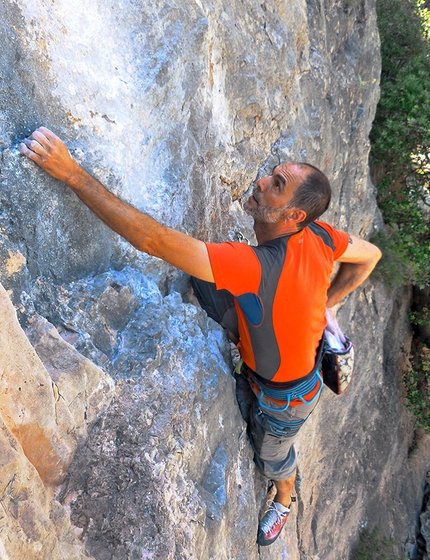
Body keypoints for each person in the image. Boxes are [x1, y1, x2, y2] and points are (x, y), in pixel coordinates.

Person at [19, 127, 381, 547]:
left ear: (295, 216)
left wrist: (73, 174)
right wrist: (327, 303)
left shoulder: (258, 265)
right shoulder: (318, 235)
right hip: (272, 339)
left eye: (277, 185)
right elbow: (368, 256)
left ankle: (284, 496)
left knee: (272, 454)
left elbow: (152, 241)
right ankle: (243, 343)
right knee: (202, 273)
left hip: (285, 397)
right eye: (271, 175)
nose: (261, 182)